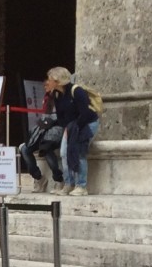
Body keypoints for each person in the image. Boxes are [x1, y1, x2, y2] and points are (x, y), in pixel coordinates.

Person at [46, 67, 100, 196]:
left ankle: (81, 186)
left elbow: (85, 113)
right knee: (64, 153)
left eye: (50, 79)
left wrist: (74, 130)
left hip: (86, 124)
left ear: (58, 81)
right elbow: (61, 116)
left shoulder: (77, 91)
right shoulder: (57, 94)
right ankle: (68, 184)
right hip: (71, 126)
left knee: (79, 151)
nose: (48, 82)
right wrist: (67, 129)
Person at [19, 78, 64, 193]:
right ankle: (38, 178)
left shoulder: (61, 96)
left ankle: (59, 179)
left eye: (47, 85)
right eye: (44, 86)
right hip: (44, 128)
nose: (45, 87)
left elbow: (60, 116)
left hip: (57, 128)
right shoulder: (47, 98)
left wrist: (47, 122)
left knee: (46, 147)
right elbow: (45, 117)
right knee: (25, 149)